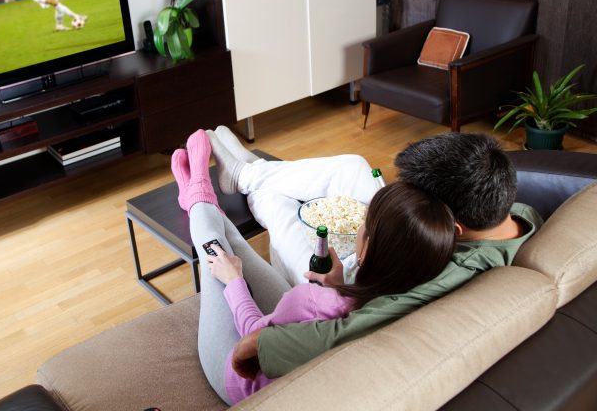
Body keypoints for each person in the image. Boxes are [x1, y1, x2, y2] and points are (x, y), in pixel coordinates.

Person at [204, 127, 544, 381]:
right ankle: (253, 172)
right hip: (384, 254)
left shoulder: (455, 273)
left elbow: (346, 333)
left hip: (353, 279)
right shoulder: (520, 216)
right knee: (353, 167)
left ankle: (255, 179)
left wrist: (260, 344)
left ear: (453, 229)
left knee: (281, 214)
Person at [173, 129, 456, 405]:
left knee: (217, 251)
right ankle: (206, 192)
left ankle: (198, 194)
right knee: (236, 248)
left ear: (367, 246)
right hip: (296, 339)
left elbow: (255, 337)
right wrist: (339, 283)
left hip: (242, 380)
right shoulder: (412, 293)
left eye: (364, 223)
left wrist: (235, 281)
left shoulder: (314, 301)